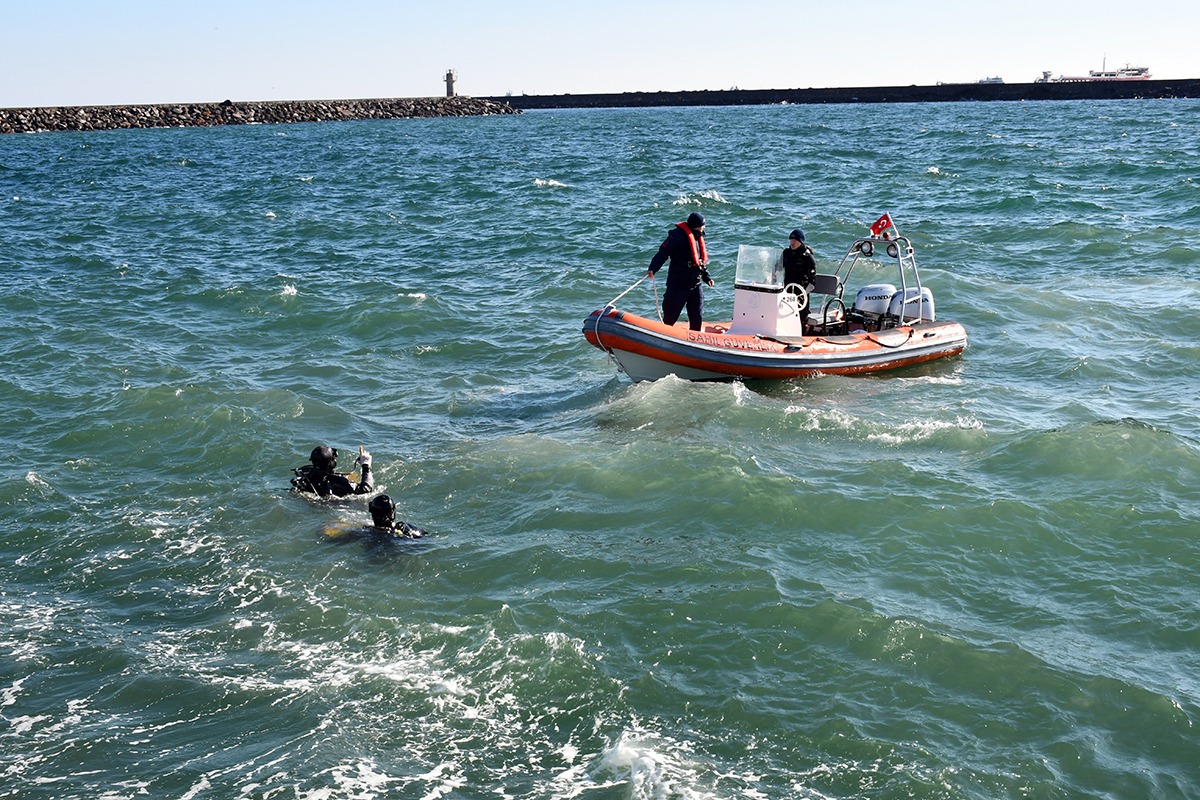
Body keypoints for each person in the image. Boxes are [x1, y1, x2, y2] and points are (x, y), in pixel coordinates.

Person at [646, 211, 714, 331]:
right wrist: (653, 268)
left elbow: (699, 261)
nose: (704, 227)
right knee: (671, 316)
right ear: (696, 225)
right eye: (703, 225)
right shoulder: (677, 236)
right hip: (678, 284)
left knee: (696, 316)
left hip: (695, 284)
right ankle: (663, 340)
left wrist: (707, 277)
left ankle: (695, 344)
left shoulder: (698, 237)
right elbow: (663, 253)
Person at [321, 494, 427, 543]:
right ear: (393, 511)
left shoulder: (365, 532)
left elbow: (333, 541)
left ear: (371, 511)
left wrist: (322, 529)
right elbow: (425, 538)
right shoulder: (405, 528)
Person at [291, 445, 374, 498]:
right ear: (331, 464)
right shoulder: (337, 481)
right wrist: (366, 465)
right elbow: (366, 490)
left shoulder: (306, 474)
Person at [779, 228, 817, 326]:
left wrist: (801, 296)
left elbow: (812, 283)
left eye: (795, 240)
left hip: (801, 294)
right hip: (787, 291)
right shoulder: (786, 253)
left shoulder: (808, 257)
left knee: (800, 320)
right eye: (791, 239)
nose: (792, 242)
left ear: (800, 241)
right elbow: (777, 269)